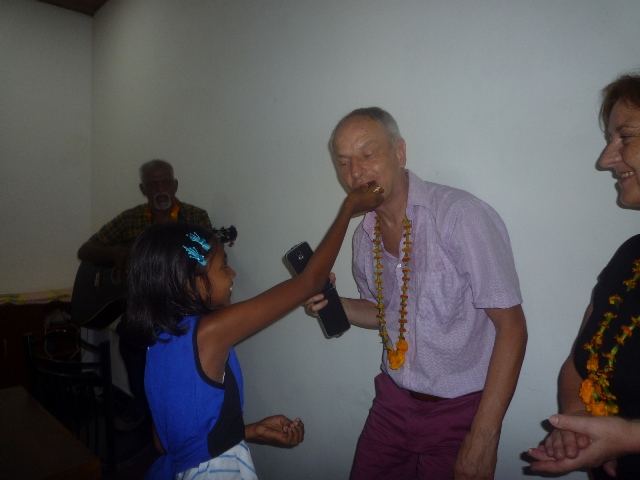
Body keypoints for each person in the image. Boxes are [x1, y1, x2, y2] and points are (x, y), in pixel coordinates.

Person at [305, 107, 527, 479]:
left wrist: (484, 435)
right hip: (392, 403)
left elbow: (513, 328)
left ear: (400, 152)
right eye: (343, 162)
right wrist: (334, 304)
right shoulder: (364, 236)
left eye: (367, 154)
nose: (355, 172)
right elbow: (384, 313)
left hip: (462, 410)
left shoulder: (460, 216)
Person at [121, 181, 384, 479]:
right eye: (223, 266)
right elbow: (310, 282)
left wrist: (251, 431)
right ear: (190, 283)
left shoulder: (158, 342)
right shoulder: (209, 332)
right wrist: (348, 208)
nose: (232, 273)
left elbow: (166, 443)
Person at [527, 73, 640, 479]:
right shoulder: (630, 255)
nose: (606, 159)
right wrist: (576, 424)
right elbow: (579, 362)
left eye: (625, 137)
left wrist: (628, 438)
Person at [77, 159, 212, 431]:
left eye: (166, 183)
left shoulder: (195, 218)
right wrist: (114, 254)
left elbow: (207, 259)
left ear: (175, 185)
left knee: (179, 361)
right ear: (143, 189)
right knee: (131, 346)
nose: (160, 190)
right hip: (141, 308)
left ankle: (175, 418)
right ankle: (142, 407)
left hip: (181, 307)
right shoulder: (131, 219)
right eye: (153, 184)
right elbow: (85, 250)